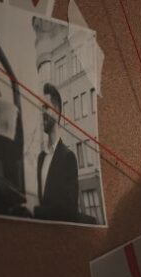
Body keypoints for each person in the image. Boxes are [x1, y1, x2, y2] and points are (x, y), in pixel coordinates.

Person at [32, 83, 79, 223]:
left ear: (57, 111)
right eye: (40, 108)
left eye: (45, 107)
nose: (41, 113)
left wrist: (35, 212)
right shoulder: (41, 158)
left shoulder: (68, 157)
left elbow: (70, 211)